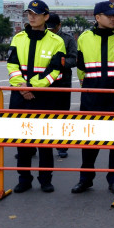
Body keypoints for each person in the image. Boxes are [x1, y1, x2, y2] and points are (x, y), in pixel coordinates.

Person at [71, 1, 114, 194]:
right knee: (90, 138)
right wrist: (90, 86)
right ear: (97, 17)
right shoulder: (84, 38)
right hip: (93, 95)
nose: (113, 18)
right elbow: (81, 69)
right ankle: (85, 178)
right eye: (108, 15)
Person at [7, 0, 65, 193]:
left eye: (36, 14)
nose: (31, 17)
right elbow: (12, 65)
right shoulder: (18, 38)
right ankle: (24, 179)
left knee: (45, 142)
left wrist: (33, 86)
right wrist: (22, 87)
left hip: (44, 97)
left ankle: (45, 179)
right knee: (22, 142)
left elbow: (55, 71)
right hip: (20, 96)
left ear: (46, 17)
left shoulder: (57, 41)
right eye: (29, 13)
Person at [47, 13, 77, 159]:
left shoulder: (68, 39)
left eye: (52, 28)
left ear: (59, 26)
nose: (49, 31)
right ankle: (33, 145)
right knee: (40, 114)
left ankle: (61, 146)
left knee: (62, 114)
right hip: (43, 83)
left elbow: (75, 58)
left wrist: (62, 62)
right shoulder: (42, 37)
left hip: (62, 82)